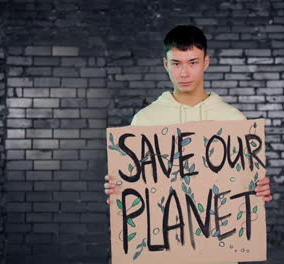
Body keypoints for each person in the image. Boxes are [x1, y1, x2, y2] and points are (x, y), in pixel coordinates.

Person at [104, 25, 272, 263]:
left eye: (192, 62)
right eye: (176, 63)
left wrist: (258, 189)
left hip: (219, 256)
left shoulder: (234, 120)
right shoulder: (144, 120)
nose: (184, 73)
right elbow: (137, 190)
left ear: (206, 62)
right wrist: (118, 188)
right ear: (165, 64)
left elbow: (244, 190)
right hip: (162, 256)